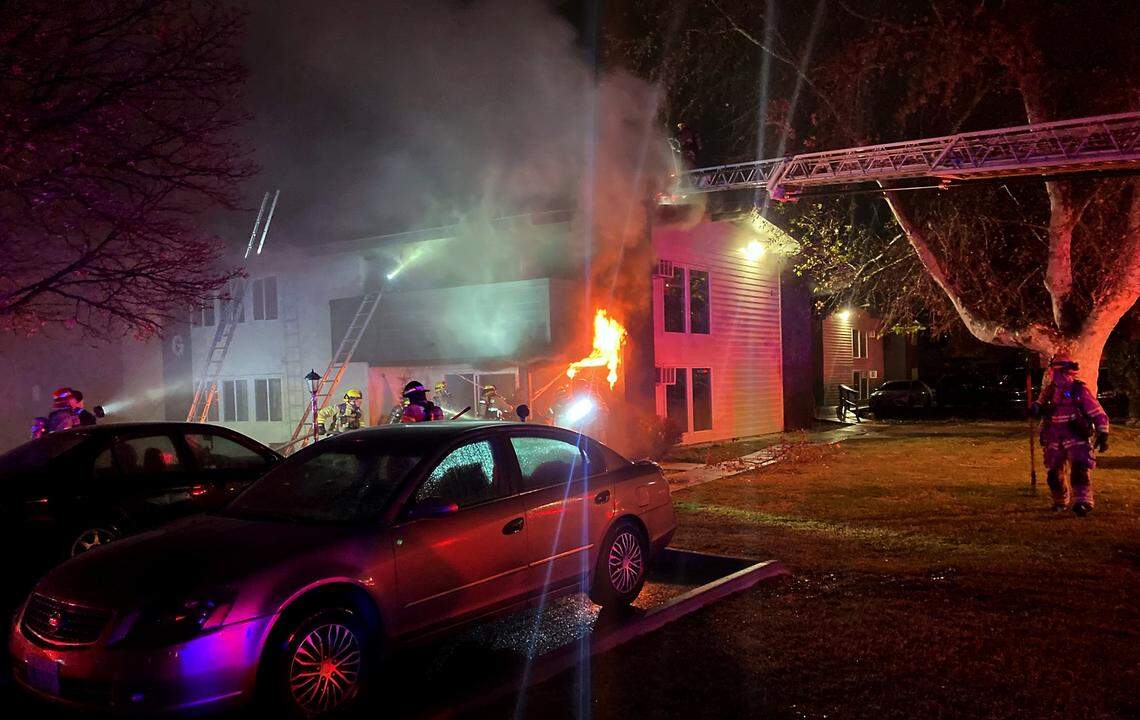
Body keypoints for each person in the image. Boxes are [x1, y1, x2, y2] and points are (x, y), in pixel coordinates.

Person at [1031, 354, 1110, 516]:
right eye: (1054, 371)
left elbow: (1097, 412)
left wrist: (1103, 433)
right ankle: (1060, 501)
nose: (1057, 375)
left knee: (1080, 470)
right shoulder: (1050, 391)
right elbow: (1040, 405)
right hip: (1054, 436)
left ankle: (1083, 502)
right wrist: (1036, 408)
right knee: (1054, 473)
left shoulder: (1079, 390)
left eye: (1060, 371)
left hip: (1076, 436)